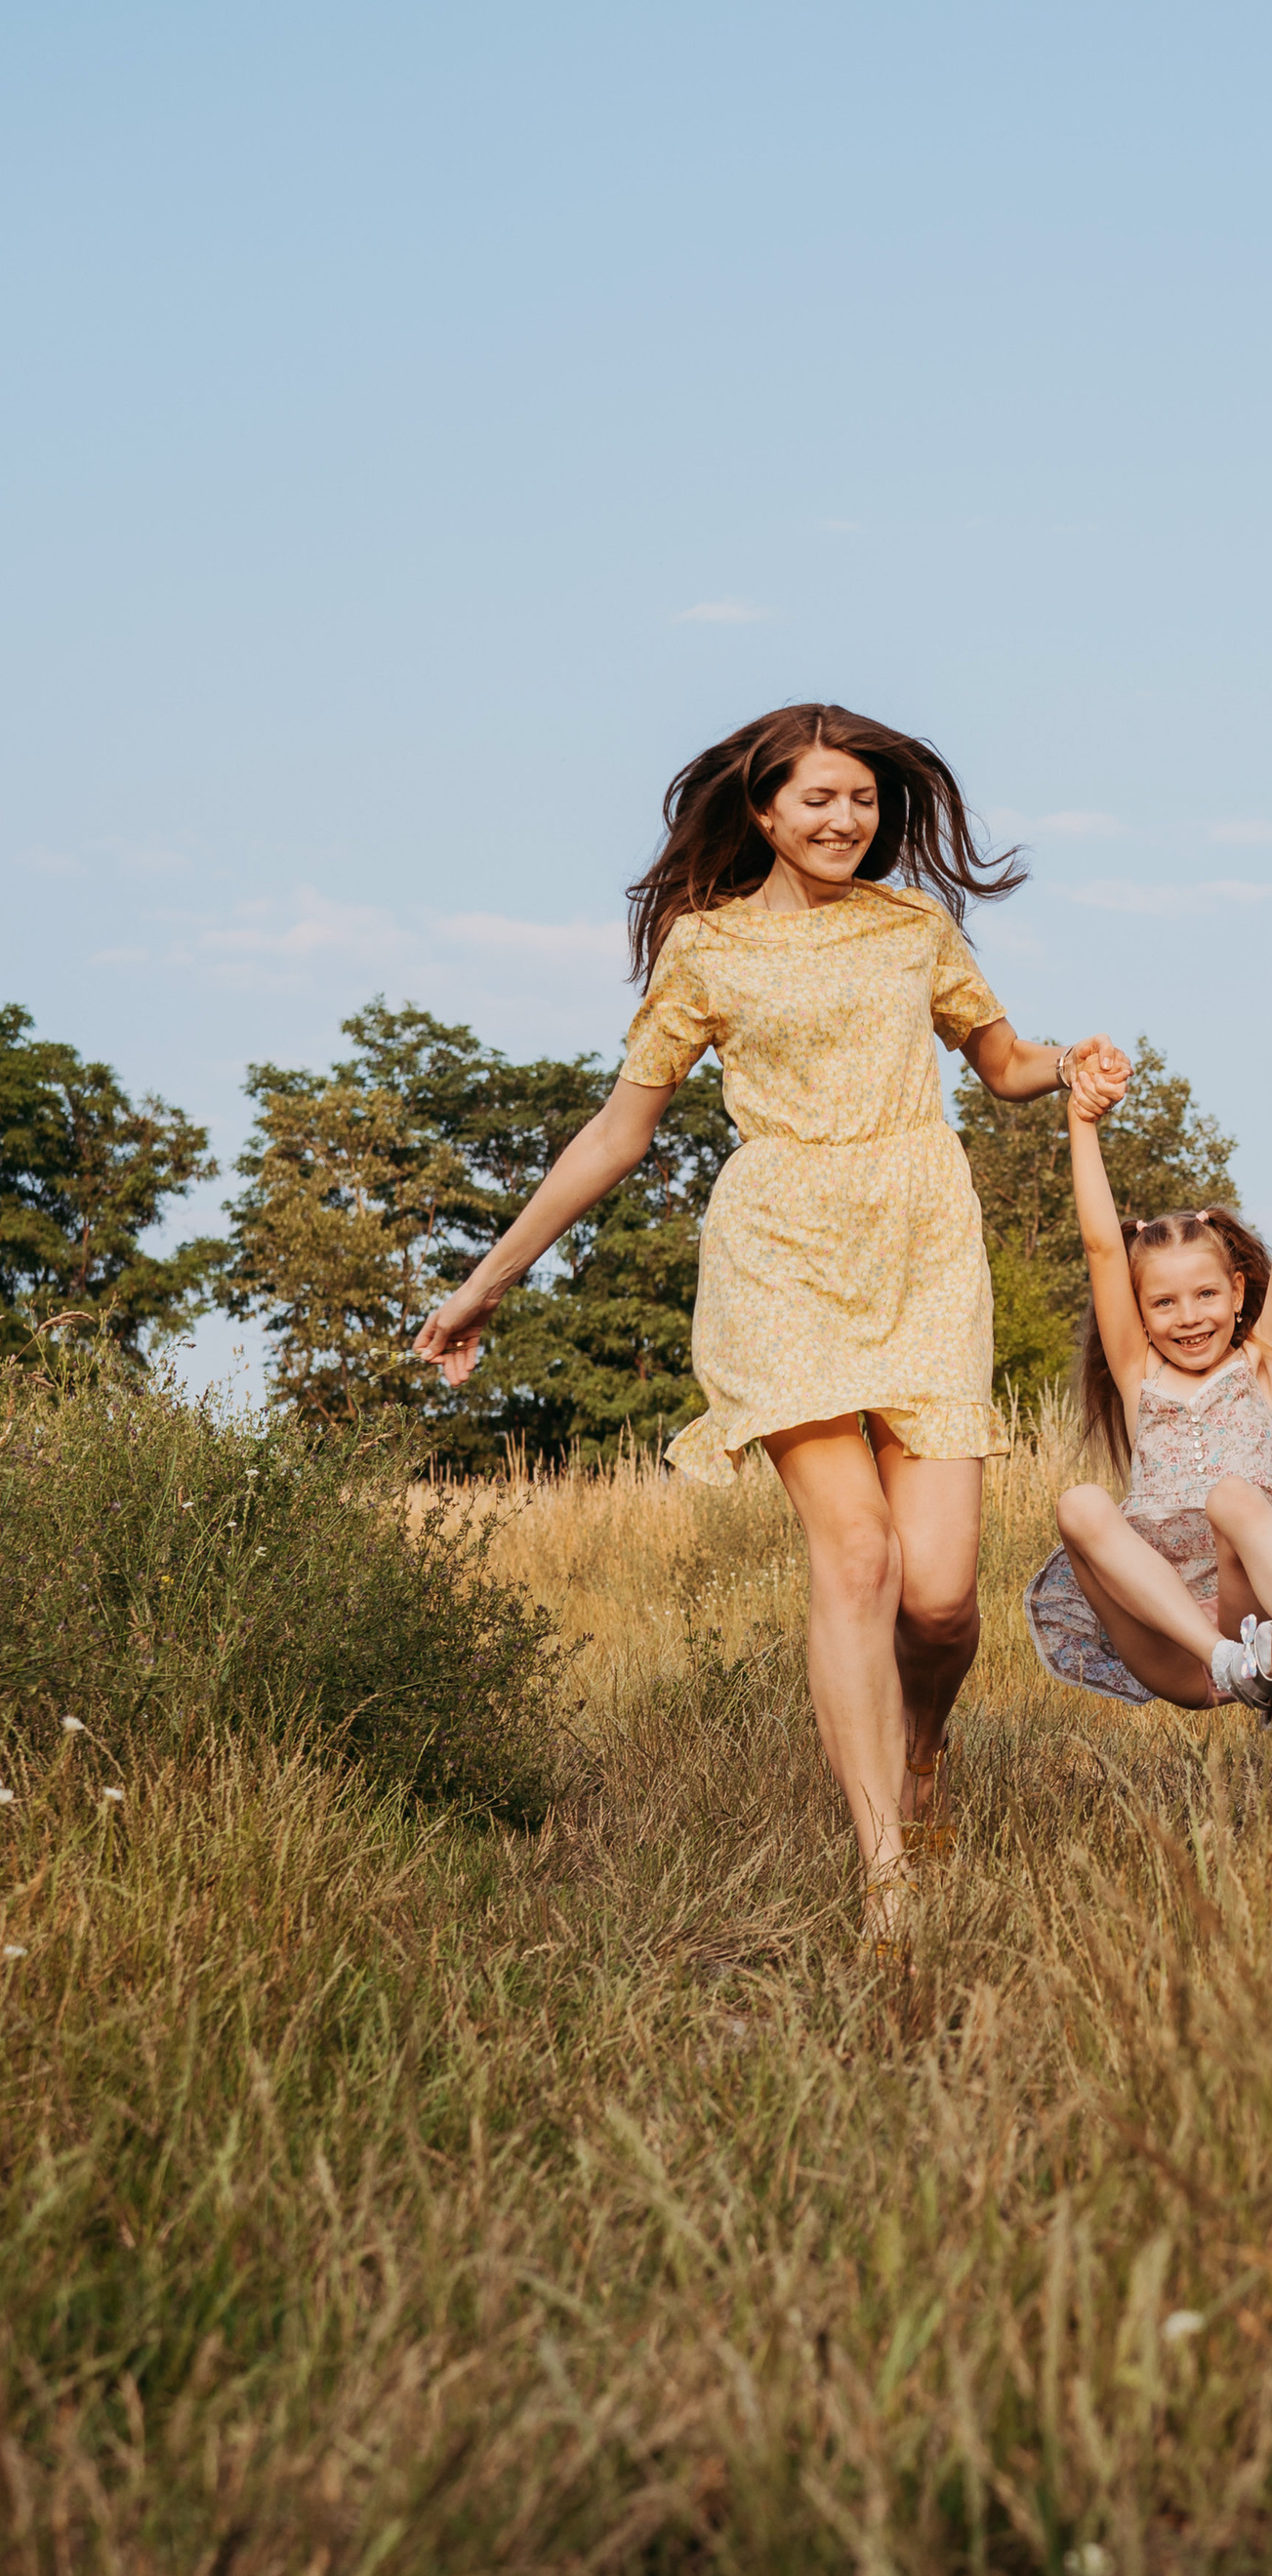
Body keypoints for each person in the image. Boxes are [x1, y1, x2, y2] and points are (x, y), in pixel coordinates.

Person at [412, 701, 1127, 1936]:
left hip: (922, 1247)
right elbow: (619, 1132)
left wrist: (1068, 1063)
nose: (846, 819)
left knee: (940, 1600)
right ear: (763, 810)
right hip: (781, 1253)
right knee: (858, 1557)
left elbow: (1002, 1062)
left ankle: (922, 1749)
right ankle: (886, 1874)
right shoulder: (706, 948)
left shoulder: (915, 926)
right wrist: (486, 1282)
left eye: (862, 800)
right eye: (819, 799)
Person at [1023, 1060, 1272, 1738]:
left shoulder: (1266, 1364)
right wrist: (1081, 1119)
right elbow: (1102, 1247)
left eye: (1206, 1295)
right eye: (1163, 1303)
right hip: (1174, 1645)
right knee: (1079, 1504)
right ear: (1139, 1313)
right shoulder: (1138, 1377)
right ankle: (1226, 1661)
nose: (1189, 1317)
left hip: (1259, 1620)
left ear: (1239, 1293)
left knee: (1233, 1495)